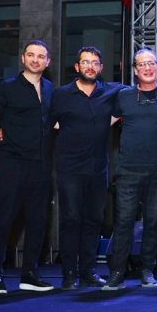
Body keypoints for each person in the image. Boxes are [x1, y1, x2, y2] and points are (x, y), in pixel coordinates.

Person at [105, 48, 157, 290]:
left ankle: (147, 270)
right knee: (124, 221)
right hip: (128, 170)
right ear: (135, 70)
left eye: (151, 63)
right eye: (141, 64)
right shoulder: (124, 96)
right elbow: (105, 121)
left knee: (153, 222)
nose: (147, 68)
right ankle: (117, 272)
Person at [0, 40, 55, 294]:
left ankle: (30, 275)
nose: (36, 60)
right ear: (23, 58)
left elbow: (51, 122)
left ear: (47, 62)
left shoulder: (50, 88)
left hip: (41, 164)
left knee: (38, 221)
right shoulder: (8, 87)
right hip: (11, 162)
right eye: (31, 55)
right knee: (4, 219)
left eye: (41, 56)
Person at [49, 47, 122, 289]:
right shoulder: (61, 94)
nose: (90, 66)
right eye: (85, 62)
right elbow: (44, 121)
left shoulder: (111, 91)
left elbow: (143, 87)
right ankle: (69, 273)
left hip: (98, 168)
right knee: (71, 219)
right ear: (77, 67)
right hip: (69, 167)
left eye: (94, 62)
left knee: (94, 220)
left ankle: (88, 271)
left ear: (101, 68)